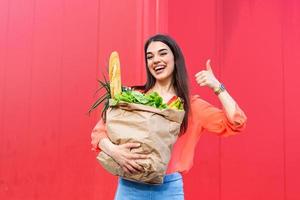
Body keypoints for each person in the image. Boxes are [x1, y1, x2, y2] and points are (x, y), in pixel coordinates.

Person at [91, 34, 247, 200]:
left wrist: (217, 86)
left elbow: (236, 122)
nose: (156, 60)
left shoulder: (191, 107)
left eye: (163, 53)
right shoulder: (134, 98)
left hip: (169, 189)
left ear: (175, 58)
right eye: (149, 56)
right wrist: (114, 151)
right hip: (130, 187)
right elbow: (99, 133)